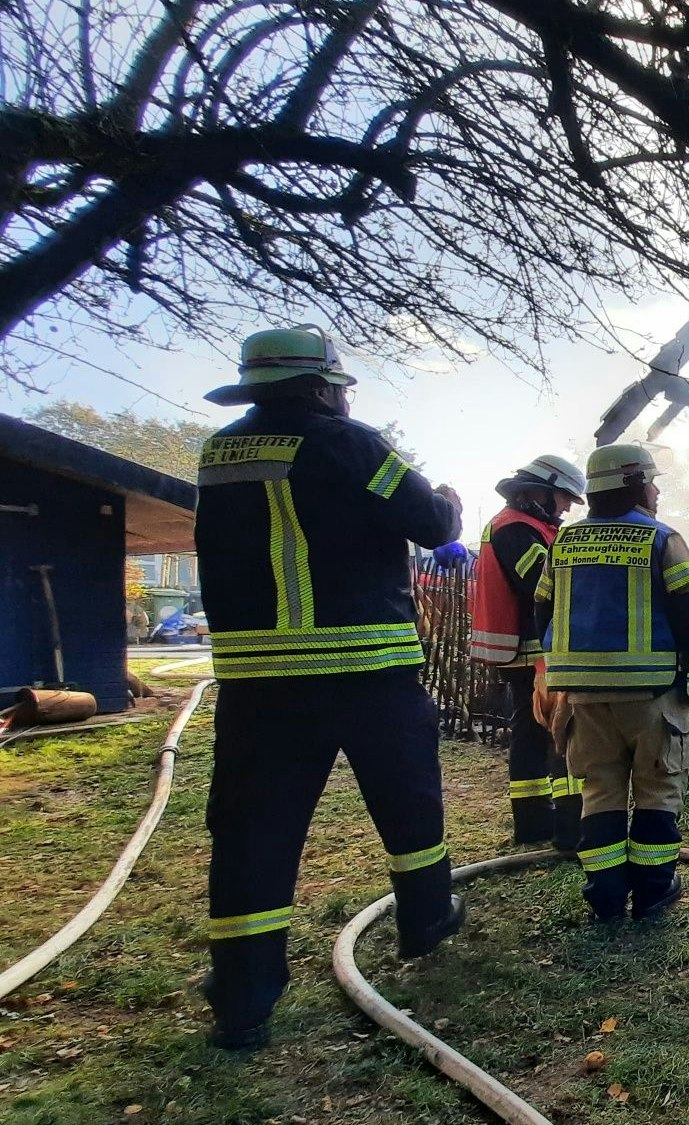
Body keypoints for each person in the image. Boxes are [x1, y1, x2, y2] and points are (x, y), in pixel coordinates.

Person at [193, 325, 465, 1050]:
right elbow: (430, 524)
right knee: (407, 801)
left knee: (254, 833)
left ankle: (243, 995)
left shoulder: (220, 453)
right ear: (322, 386)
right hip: (364, 667)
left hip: (260, 682)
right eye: (340, 387)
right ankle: (428, 917)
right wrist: (447, 498)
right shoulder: (346, 442)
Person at [534, 444, 689, 921]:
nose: (657, 490)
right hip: (652, 696)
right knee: (657, 789)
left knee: (598, 790)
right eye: (652, 480)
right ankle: (652, 892)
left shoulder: (564, 543)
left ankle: (604, 894)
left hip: (583, 697)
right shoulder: (662, 540)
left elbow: (542, 608)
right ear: (633, 483)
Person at [471, 454, 586, 848]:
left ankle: (535, 820)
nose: (567, 507)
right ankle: (570, 826)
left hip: (525, 648)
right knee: (560, 731)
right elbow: (544, 584)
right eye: (564, 498)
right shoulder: (517, 529)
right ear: (541, 492)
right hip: (534, 649)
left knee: (531, 733)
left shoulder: (520, 524)